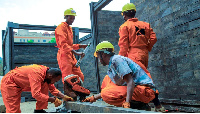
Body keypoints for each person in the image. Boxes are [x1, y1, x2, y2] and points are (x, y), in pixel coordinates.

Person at [82, 41, 156, 110]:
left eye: (98, 57)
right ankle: (134, 102)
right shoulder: (111, 67)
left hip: (145, 91)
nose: (99, 60)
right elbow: (118, 85)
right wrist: (94, 97)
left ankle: (139, 105)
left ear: (103, 54)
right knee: (107, 79)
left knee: (105, 94)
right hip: (136, 89)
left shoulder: (117, 60)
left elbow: (130, 82)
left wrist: (127, 102)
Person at [119, 3, 164, 112]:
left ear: (125, 15)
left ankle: (158, 105)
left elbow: (123, 46)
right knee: (138, 79)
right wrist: (147, 47)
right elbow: (153, 38)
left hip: (133, 55)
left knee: (144, 79)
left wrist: (120, 60)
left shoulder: (125, 26)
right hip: (144, 54)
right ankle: (143, 104)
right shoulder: (145, 24)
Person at [1, 64, 74, 113]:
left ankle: (39, 110)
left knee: (45, 85)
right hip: (9, 83)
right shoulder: (37, 74)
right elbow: (36, 94)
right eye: (56, 80)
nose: (55, 82)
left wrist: (63, 97)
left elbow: (52, 88)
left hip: (19, 83)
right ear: (51, 76)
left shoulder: (46, 74)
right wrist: (52, 99)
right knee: (13, 110)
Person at [55, 8, 89, 100]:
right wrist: (76, 52)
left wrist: (80, 46)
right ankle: (69, 93)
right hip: (64, 55)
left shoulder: (69, 28)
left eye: (73, 18)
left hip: (71, 55)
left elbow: (70, 45)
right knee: (67, 76)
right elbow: (63, 44)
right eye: (71, 18)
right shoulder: (61, 27)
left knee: (80, 75)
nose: (72, 20)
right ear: (66, 17)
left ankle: (78, 91)